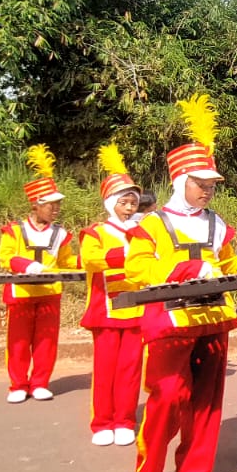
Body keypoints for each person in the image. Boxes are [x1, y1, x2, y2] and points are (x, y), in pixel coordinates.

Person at [125, 96, 237, 472]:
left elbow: (231, 264)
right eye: (201, 184)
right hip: (169, 321)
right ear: (180, 182)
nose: (208, 191)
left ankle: (195, 471)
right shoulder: (153, 224)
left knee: (207, 402)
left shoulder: (219, 225)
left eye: (212, 186)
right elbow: (137, 269)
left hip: (212, 319)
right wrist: (183, 272)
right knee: (167, 397)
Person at [0, 146, 78, 404]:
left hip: (49, 292)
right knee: (19, 341)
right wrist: (26, 265)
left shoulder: (60, 233)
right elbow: (5, 257)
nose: (56, 209)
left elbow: (67, 261)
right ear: (36, 204)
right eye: (50, 205)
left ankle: (41, 381)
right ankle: (18, 384)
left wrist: (89, 260)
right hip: (21, 292)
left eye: (58, 205)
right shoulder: (15, 229)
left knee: (46, 340)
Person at [77, 144, 145, 445]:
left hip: (136, 308)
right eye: (124, 202)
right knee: (105, 370)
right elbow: (89, 260)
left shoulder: (143, 230)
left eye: (133, 202)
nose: (130, 207)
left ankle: (125, 420)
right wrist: (125, 254)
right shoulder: (96, 232)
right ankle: (102, 422)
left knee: (131, 370)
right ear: (110, 203)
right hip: (106, 309)